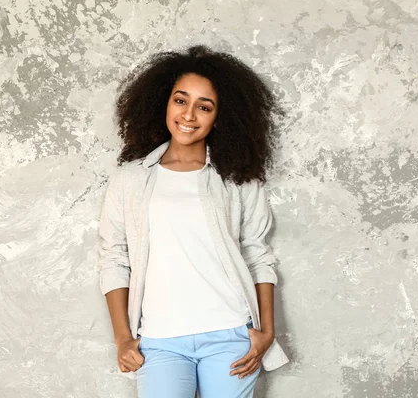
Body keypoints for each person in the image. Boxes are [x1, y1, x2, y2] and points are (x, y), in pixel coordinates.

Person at [97, 45, 289, 398]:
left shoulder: (238, 180)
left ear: (220, 117)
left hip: (230, 335)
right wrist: (123, 337)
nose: (189, 114)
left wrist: (266, 332)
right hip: (159, 341)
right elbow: (114, 258)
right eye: (180, 100)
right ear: (163, 103)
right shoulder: (130, 180)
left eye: (205, 106)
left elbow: (257, 254)